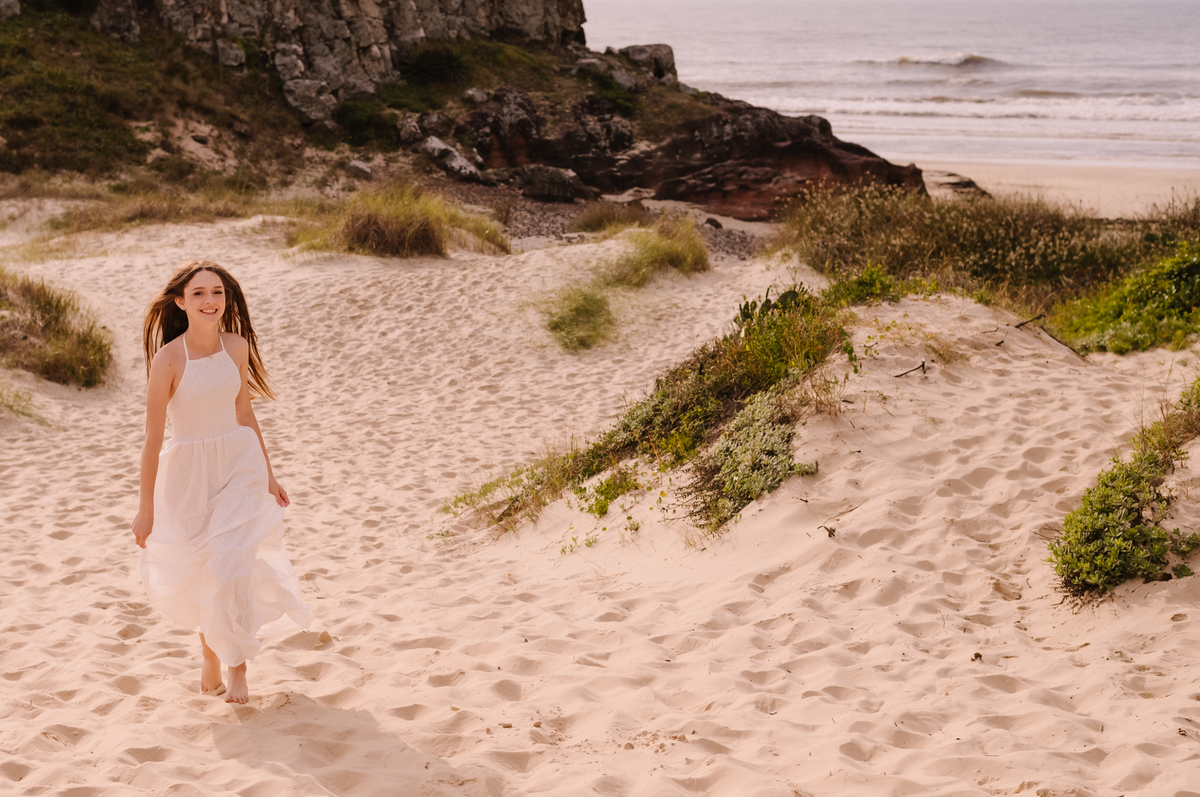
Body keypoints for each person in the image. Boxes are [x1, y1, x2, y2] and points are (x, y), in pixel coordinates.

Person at [132, 260, 312, 704]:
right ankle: (209, 651)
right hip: (188, 474)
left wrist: (269, 476)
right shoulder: (169, 359)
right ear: (181, 302)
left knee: (233, 565)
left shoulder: (236, 346)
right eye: (198, 294)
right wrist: (146, 508)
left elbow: (245, 414)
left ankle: (238, 669)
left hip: (238, 464)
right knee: (203, 570)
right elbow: (153, 439)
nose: (209, 301)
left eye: (216, 292)